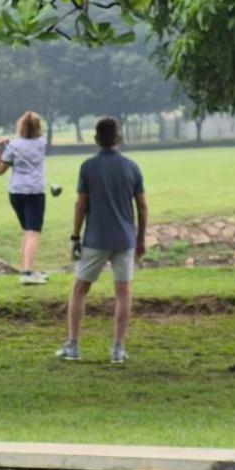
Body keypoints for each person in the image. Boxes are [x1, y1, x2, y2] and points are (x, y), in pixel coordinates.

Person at [56, 115, 147, 365]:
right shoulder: (131, 167)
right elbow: (142, 207)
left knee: (79, 289)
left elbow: (80, 204)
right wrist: (141, 238)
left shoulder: (88, 167)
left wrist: (75, 236)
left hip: (95, 239)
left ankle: (73, 345)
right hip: (125, 239)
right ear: (118, 138)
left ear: (96, 139)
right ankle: (117, 349)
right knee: (123, 292)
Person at [0, 111, 50, 285]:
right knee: (33, 232)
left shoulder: (13, 147)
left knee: (28, 231)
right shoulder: (42, 143)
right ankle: (27, 273)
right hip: (34, 193)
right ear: (38, 127)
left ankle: (28, 269)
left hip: (16, 193)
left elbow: (0, 170)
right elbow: (27, 141)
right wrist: (9, 144)